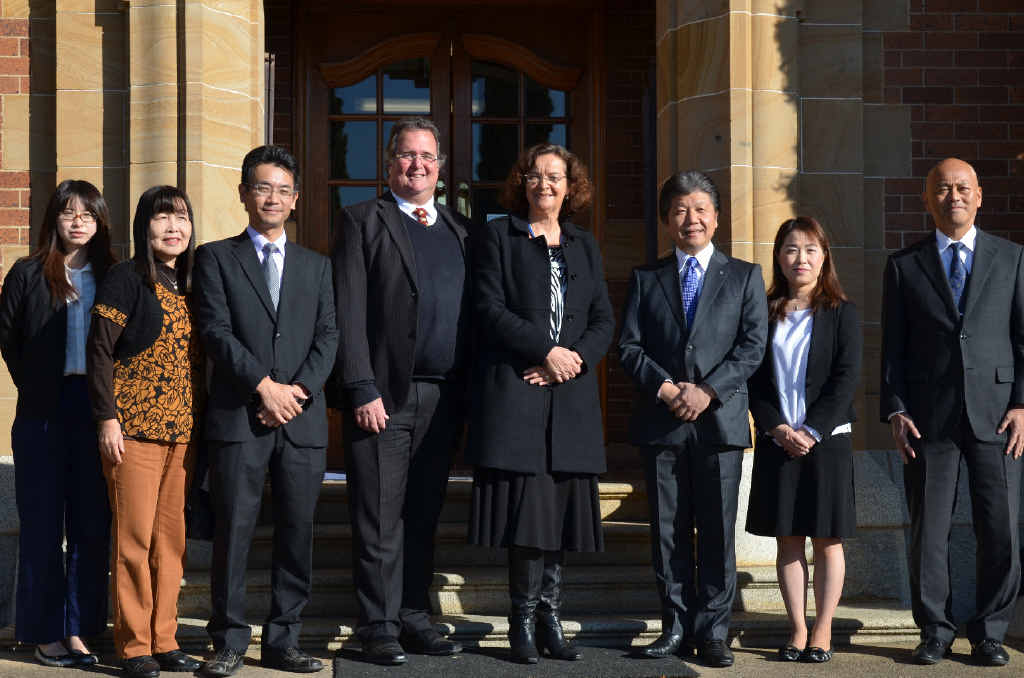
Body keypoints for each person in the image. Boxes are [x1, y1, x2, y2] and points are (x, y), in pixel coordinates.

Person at [330, 117, 470, 665]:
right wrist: (361, 386)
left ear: (440, 167)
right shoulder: (362, 221)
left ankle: (414, 615)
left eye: (428, 156)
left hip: (444, 398)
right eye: (408, 155)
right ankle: (377, 623)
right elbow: (348, 310)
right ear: (389, 164)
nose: (418, 165)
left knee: (422, 513)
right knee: (378, 516)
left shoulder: (461, 231)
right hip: (383, 397)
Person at [467, 144, 614, 664]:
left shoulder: (583, 244)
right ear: (521, 183)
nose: (544, 185)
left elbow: (603, 319)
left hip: (569, 400)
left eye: (555, 177)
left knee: (561, 517)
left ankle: (552, 616)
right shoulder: (498, 237)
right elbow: (486, 307)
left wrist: (573, 359)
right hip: (518, 393)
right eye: (534, 176)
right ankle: (521, 621)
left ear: (570, 187)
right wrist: (544, 351)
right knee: (529, 516)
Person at [194, 145, 338, 677]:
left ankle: (284, 639)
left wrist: (294, 391)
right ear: (243, 193)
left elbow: (329, 336)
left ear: (295, 199)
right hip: (240, 419)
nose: (272, 197)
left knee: (297, 532)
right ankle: (228, 639)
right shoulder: (214, 258)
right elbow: (215, 331)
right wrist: (263, 387)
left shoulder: (317, 267)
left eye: (282, 189)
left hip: (302, 421)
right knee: (234, 531)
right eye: (262, 187)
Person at [618, 170, 768, 668]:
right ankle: (675, 624)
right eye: (680, 210)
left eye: (701, 208)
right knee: (668, 530)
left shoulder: (745, 276)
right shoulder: (647, 278)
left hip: (719, 422)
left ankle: (714, 630)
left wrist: (706, 391)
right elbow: (629, 347)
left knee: (717, 531)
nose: (691, 218)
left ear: (717, 217)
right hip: (662, 423)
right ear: (667, 220)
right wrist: (666, 388)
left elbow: (752, 347)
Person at [881, 157, 1023, 668]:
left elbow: (1023, 341)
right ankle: (935, 631)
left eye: (963, 188)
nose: (953, 196)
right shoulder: (904, 265)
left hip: (998, 416)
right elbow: (892, 349)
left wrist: (1022, 404)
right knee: (929, 530)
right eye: (942, 189)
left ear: (979, 196)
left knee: (1000, 528)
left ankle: (990, 632)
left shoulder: (1012, 259)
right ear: (927, 200)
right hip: (928, 417)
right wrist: (895, 410)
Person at [87, 186, 204, 678]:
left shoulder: (191, 284)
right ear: (145, 225)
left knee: (170, 542)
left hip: (181, 434)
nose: (174, 228)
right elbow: (99, 349)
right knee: (133, 541)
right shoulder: (125, 278)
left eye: (182, 219)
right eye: (163, 218)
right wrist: (106, 418)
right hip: (132, 431)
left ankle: (165, 638)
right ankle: (134, 646)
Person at [0, 180, 116, 668]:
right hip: (42, 410)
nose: (77, 222)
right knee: (43, 524)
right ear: (54, 219)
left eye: (87, 214)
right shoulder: (27, 273)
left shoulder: (114, 275)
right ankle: (44, 632)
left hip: (95, 410)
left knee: (92, 524)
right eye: (68, 213)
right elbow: (8, 336)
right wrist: (36, 384)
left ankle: (80, 630)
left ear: (98, 222)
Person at [745, 216, 861, 664]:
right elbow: (754, 379)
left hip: (827, 440)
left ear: (824, 257)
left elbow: (846, 377)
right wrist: (776, 428)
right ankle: (796, 629)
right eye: (792, 249)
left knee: (827, 538)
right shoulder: (764, 310)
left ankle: (823, 630)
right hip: (778, 441)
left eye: (811, 249)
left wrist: (811, 430)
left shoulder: (840, 313)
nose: (801, 259)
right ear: (779, 256)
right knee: (787, 537)